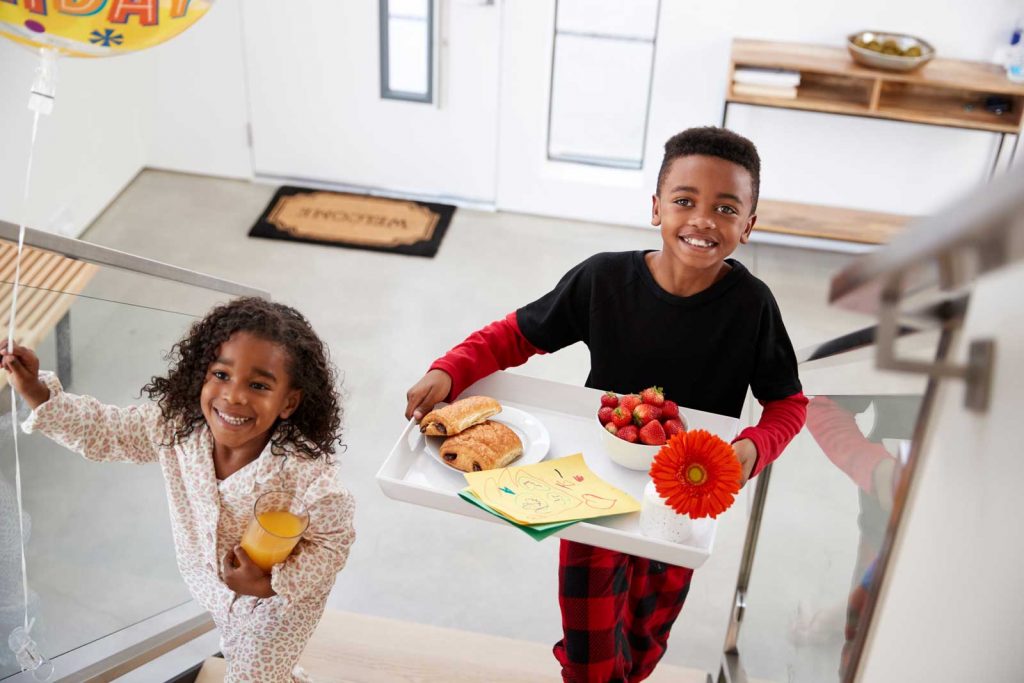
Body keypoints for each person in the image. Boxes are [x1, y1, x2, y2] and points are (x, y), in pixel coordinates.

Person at [405, 127, 808, 682]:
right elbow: (514, 335)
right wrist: (450, 368)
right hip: (590, 490)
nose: (703, 220)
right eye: (685, 201)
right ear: (656, 208)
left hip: (683, 504)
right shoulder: (604, 278)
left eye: (726, 208)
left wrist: (753, 448)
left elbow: (787, 404)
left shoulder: (753, 306)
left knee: (642, 651)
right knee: (591, 659)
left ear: (749, 225)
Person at [2, 297, 355, 682]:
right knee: (241, 658)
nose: (234, 395)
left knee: (252, 675)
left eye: (257, 385)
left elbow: (332, 544)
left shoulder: (309, 478)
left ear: (289, 402)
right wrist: (35, 391)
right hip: (214, 592)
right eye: (221, 375)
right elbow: (106, 431)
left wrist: (272, 585)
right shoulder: (176, 429)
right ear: (201, 373)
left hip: (277, 610)